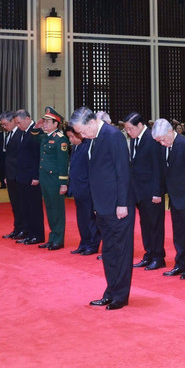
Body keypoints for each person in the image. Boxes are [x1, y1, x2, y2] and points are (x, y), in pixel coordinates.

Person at [71, 107, 134, 310]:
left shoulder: (112, 135)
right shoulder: (93, 138)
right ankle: (110, 291)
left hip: (118, 206)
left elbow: (122, 171)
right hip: (102, 205)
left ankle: (120, 296)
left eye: (81, 130)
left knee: (120, 251)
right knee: (108, 251)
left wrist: (122, 204)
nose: (81, 135)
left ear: (90, 123)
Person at [151, 119, 185, 280]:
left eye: (162, 139)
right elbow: (162, 172)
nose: (161, 143)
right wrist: (159, 192)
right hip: (175, 197)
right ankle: (180, 263)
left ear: (169, 132)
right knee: (179, 232)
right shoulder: (164, 147)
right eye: (159, 141)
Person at [122, 112, 167, 271]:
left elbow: (158, 168)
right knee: (145, 225)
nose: (128, 132)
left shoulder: (152, 139)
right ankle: (148, 254)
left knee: (155, 225)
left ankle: (158, 257)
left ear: (140, 125)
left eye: (130, 128)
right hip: (138, 191)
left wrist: (157, 192)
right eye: (126, 129)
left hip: (152, 192)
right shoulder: (135, 139)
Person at [65, 126, 101, 256]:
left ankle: (93, 243)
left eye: (73, 136)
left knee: (89, 218)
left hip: (86, 189)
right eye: (69, 137)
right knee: (81, 219)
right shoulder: (75, 147)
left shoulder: (87, 147)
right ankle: (84, 242)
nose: (71, 139)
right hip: (77, 189)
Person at [37, 107, 69, 250]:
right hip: (45, 178)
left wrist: (63, 183)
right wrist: (36, 127)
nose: (44, 124)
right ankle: (52, 237)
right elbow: (32, 137)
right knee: (49, 209)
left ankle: (59, 239)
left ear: (56, 124)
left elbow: (63, 163)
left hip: (55, 180)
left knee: (57, 210)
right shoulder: (45, 137)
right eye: (44, 121)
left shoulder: (60, 139)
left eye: (48, 122)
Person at [12, 109, 44, 245]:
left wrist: (36, 176)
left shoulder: (36, 131)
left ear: (27, 119)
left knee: (34, 207)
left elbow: (38, 156)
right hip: (22, 176)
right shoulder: (22, 132)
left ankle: (37, 234)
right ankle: (29, 233)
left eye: (19, 123)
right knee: (25, 207)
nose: (18, 125)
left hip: (32, 177)